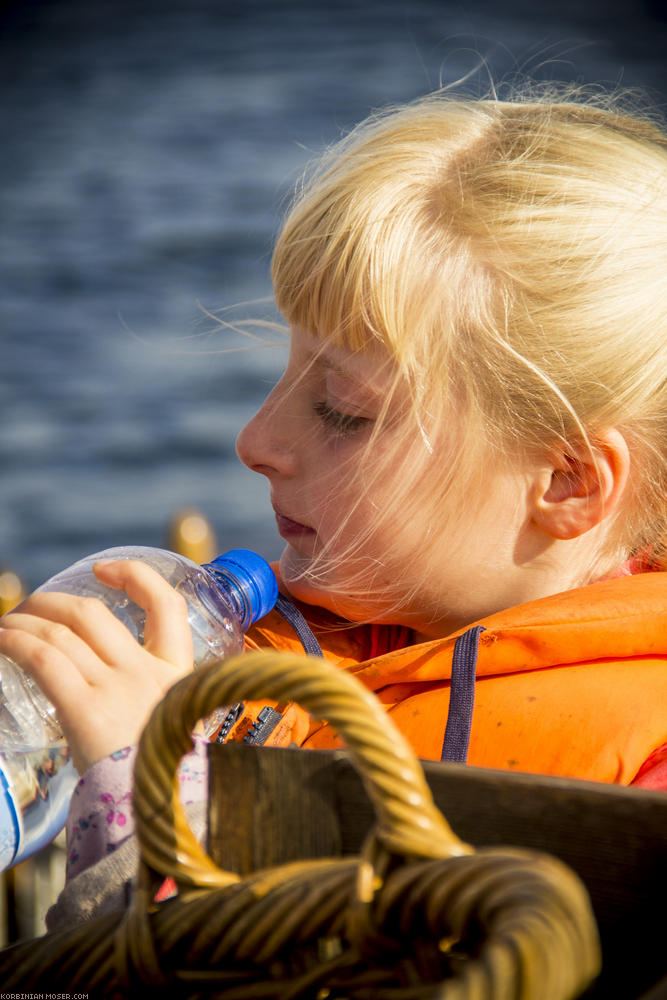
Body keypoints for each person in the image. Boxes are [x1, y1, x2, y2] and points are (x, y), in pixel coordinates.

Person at [0, 84, 666, 925]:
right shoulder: (252, 657)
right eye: (282, 373)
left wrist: (148, 808)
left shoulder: (648, 772)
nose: (254, 439)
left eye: (344, 411)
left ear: (567, 479)